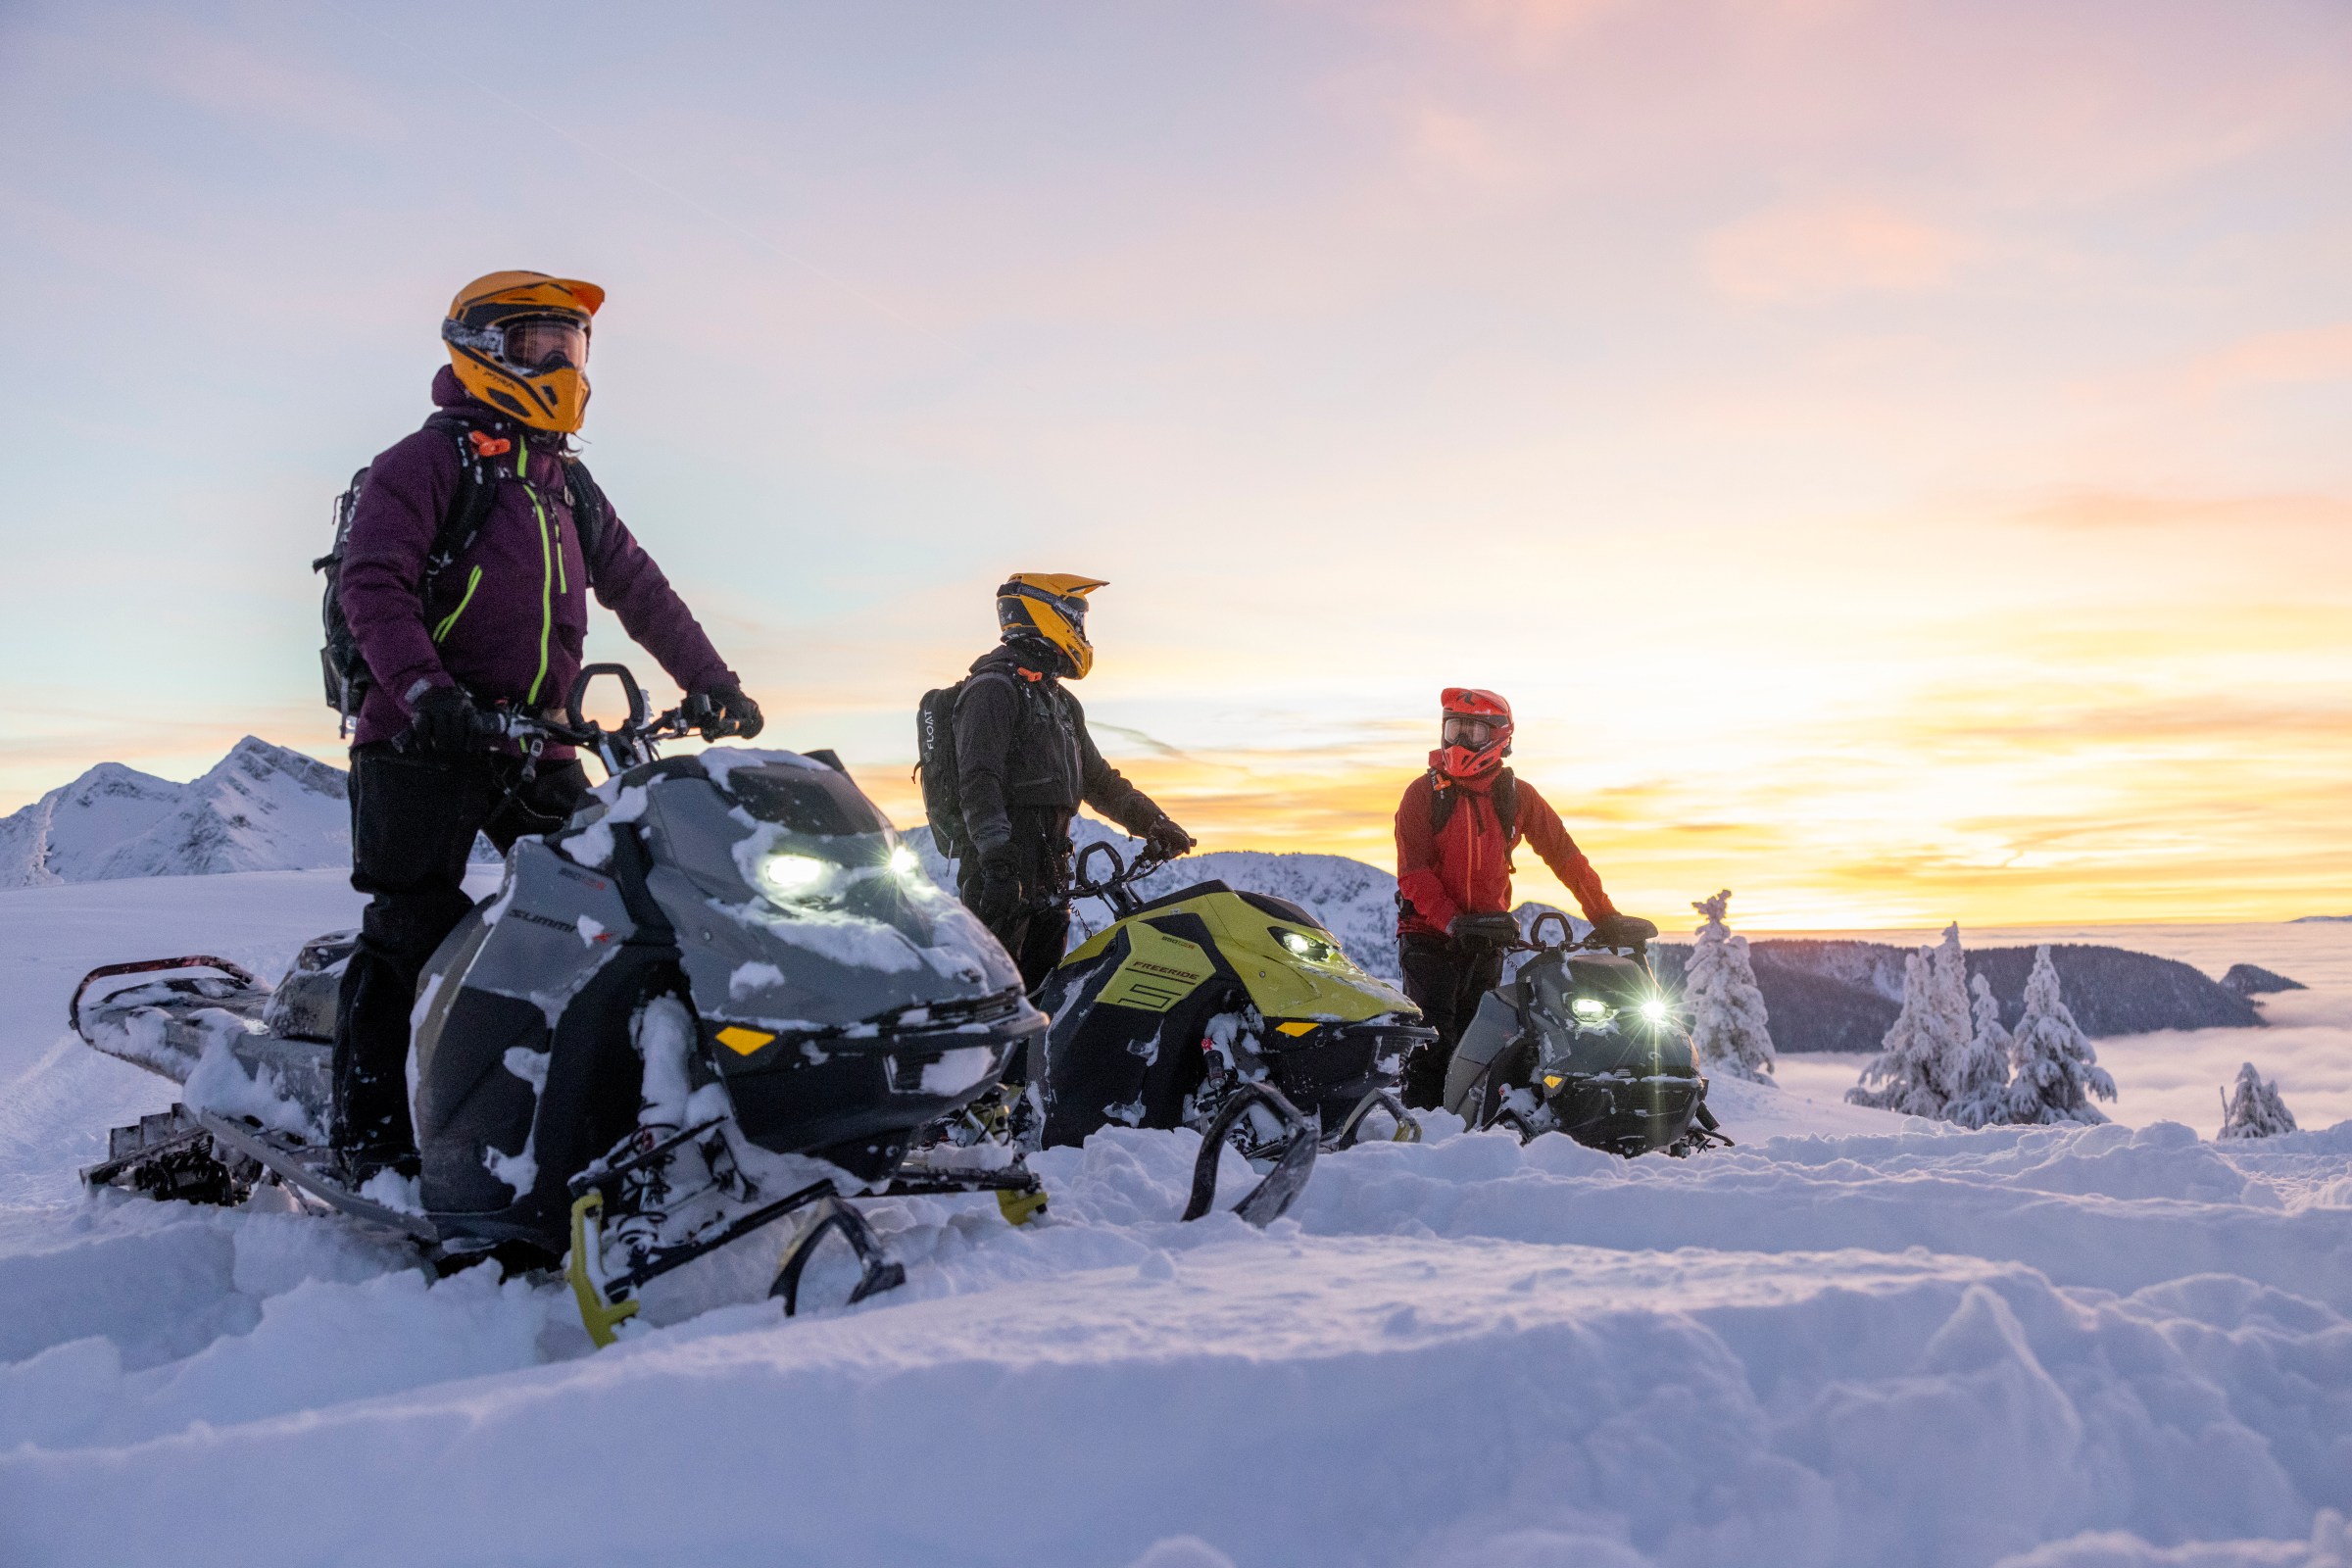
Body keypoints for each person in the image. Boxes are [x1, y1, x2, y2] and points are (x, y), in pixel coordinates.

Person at [331, 270, 763, 1179]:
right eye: (542, 344)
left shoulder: (565, 482)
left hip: (538, 742)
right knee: (413, 926)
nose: (563, 363)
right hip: (422, 739)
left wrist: (713, 681)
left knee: (616, 912)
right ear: (483, 348)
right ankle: (370, 1141)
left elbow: (640, 589)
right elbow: (371, 583)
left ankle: (593, 1105)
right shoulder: (424, 463)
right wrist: (423, 692)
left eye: (572, 346)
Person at [1393, 688, 1636, 1108]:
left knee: (1482, 1042)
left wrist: (1605, 915)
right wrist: (1452, 921)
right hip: (1428, 935)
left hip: (1486, 937)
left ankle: (1472, 1135)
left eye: (1471, 730)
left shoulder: (1517, 795)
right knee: (1433, 1040)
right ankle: (1419, 1132)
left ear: (1498, 737)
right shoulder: (1423, 793)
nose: (1459, 742)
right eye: (1453, 729)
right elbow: (1414, 873)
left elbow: (1565, 855)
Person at [951, 574, 1194, 989]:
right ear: (1047, 616)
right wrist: (997, 861)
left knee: (1046, 993)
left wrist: (1154, 822)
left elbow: (1098, 781)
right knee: (998, 999)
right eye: (1075, 619)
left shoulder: (1060, 702)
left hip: (1052, 872)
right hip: (1003, 873)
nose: (1081, 631)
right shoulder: (993, 689)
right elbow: (977, 778)